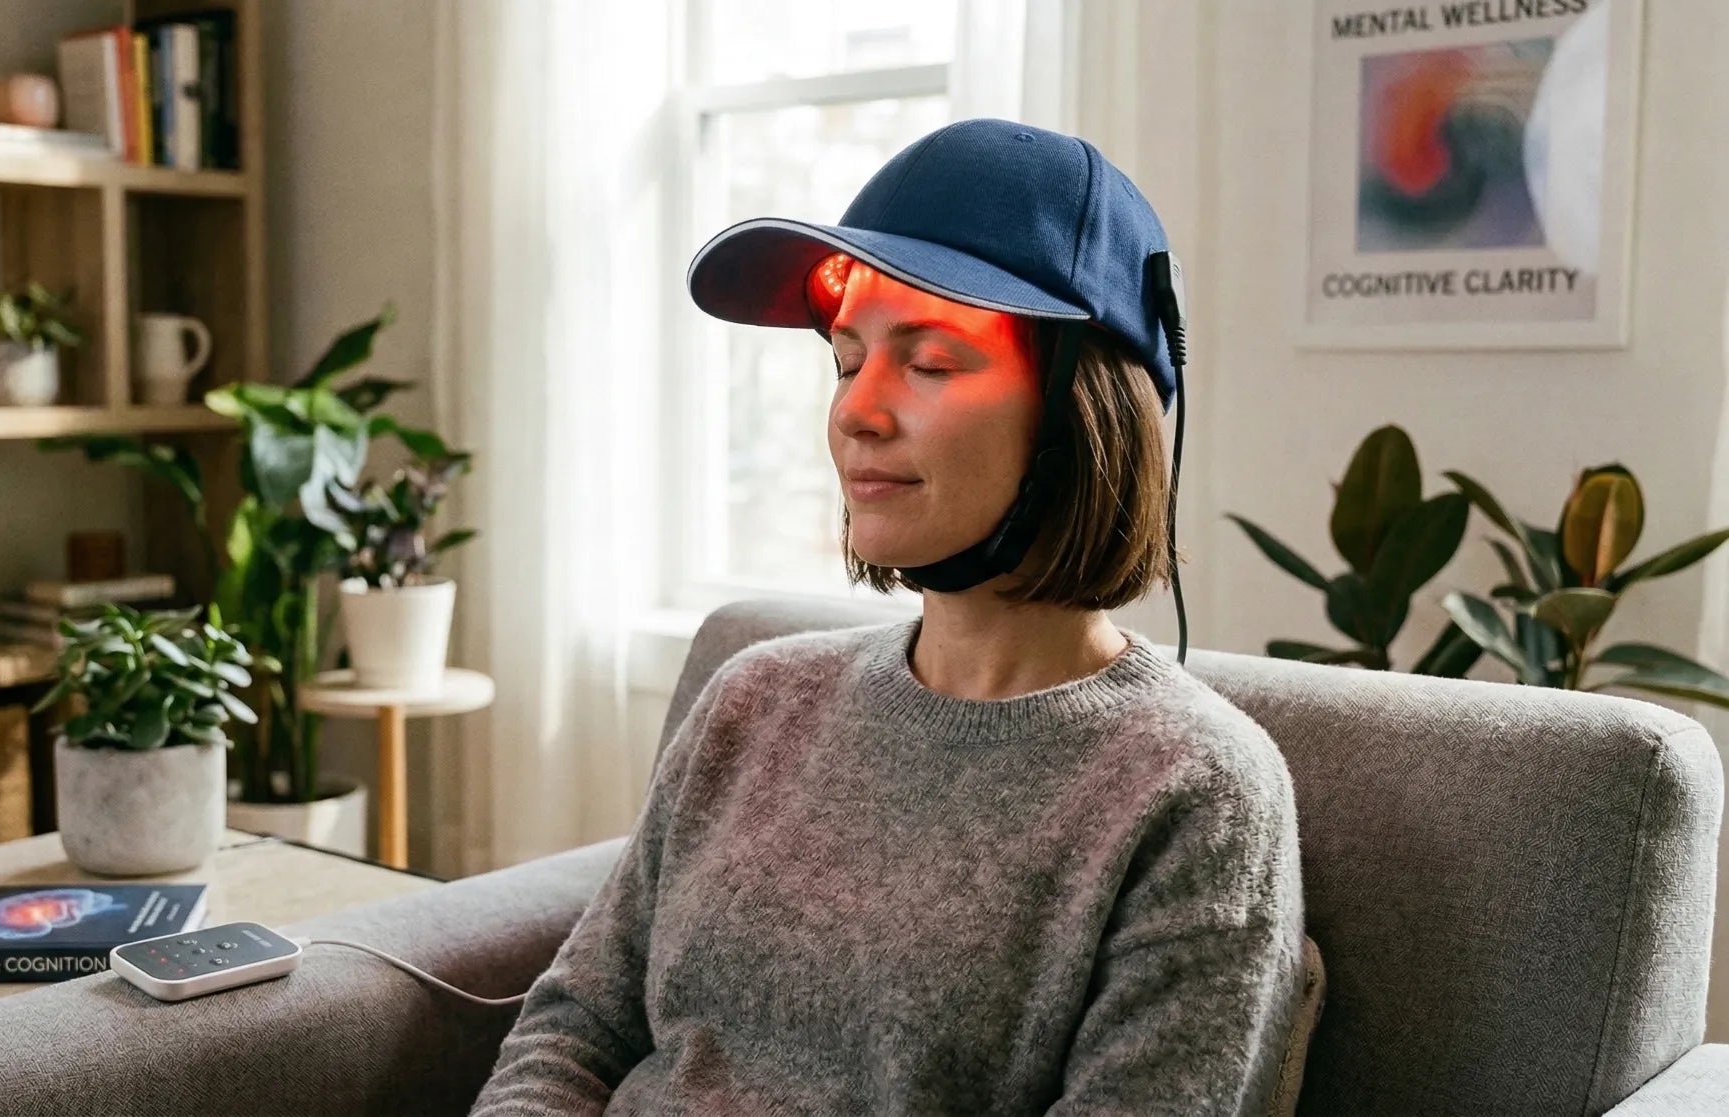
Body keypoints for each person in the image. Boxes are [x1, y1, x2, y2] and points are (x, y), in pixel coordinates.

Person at [470, 118, 1308, 1115]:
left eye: (928, 363)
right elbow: (572, 1028)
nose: (854, 411)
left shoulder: (1195, 792)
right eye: (845, 358)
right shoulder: (757, 694)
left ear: (1079, 411)